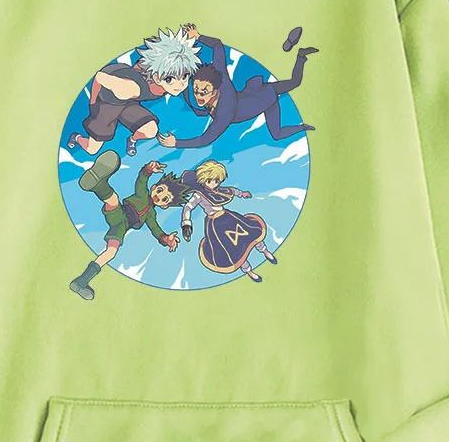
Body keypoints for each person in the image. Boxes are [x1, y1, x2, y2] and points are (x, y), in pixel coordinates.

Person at [158, 24, 316, 150]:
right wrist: (198, 36)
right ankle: (301, 56)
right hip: (255, 93)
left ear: (215, 90)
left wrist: (177, 143)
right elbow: (217, 46)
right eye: (196, 91)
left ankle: (301, 57)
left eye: (204, 92)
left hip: (268, 98)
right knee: (199, 110)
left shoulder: (225, 112)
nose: (199, 96)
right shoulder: (218, 77)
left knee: (278, 133)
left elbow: (205, 139)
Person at [69, 149, 188, 300]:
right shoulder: (142, 194)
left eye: (165, 199)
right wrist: (148, 170)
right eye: (160, 190)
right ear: (154, 187)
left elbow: (155, 229)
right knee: (113, 200)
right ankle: (98, 184)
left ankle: (81, 281)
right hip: (121, 213)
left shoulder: (151, 215)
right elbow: (141, 182)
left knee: (110, 253)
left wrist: (165, 239)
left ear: (165, 206)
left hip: (121, 228)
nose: (159, 197)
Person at [67, 27, 202, 157]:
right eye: (170, 79)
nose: (181, 84)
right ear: (156, 78)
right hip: (107, 104)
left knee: (151, 130)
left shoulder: (165, 81)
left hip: (129, 102)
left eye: (185, 76)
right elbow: (99, 78)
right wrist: (93, 103)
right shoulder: (130, 88)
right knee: (92, 150)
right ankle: (76, 137)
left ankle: (132, 140)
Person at [179, 159, 277, 283]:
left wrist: (242, 194)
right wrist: (186, 224)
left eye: (216, 181)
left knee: (250, 231)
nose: (213, 184)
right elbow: (188, 207)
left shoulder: (218, 190)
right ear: (203, 179)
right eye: (209, 181)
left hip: (228, 217)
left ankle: (265, 251)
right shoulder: (199, 194)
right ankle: (249, 271)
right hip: (215, 225)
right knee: (232, 250)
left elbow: (230, 190)